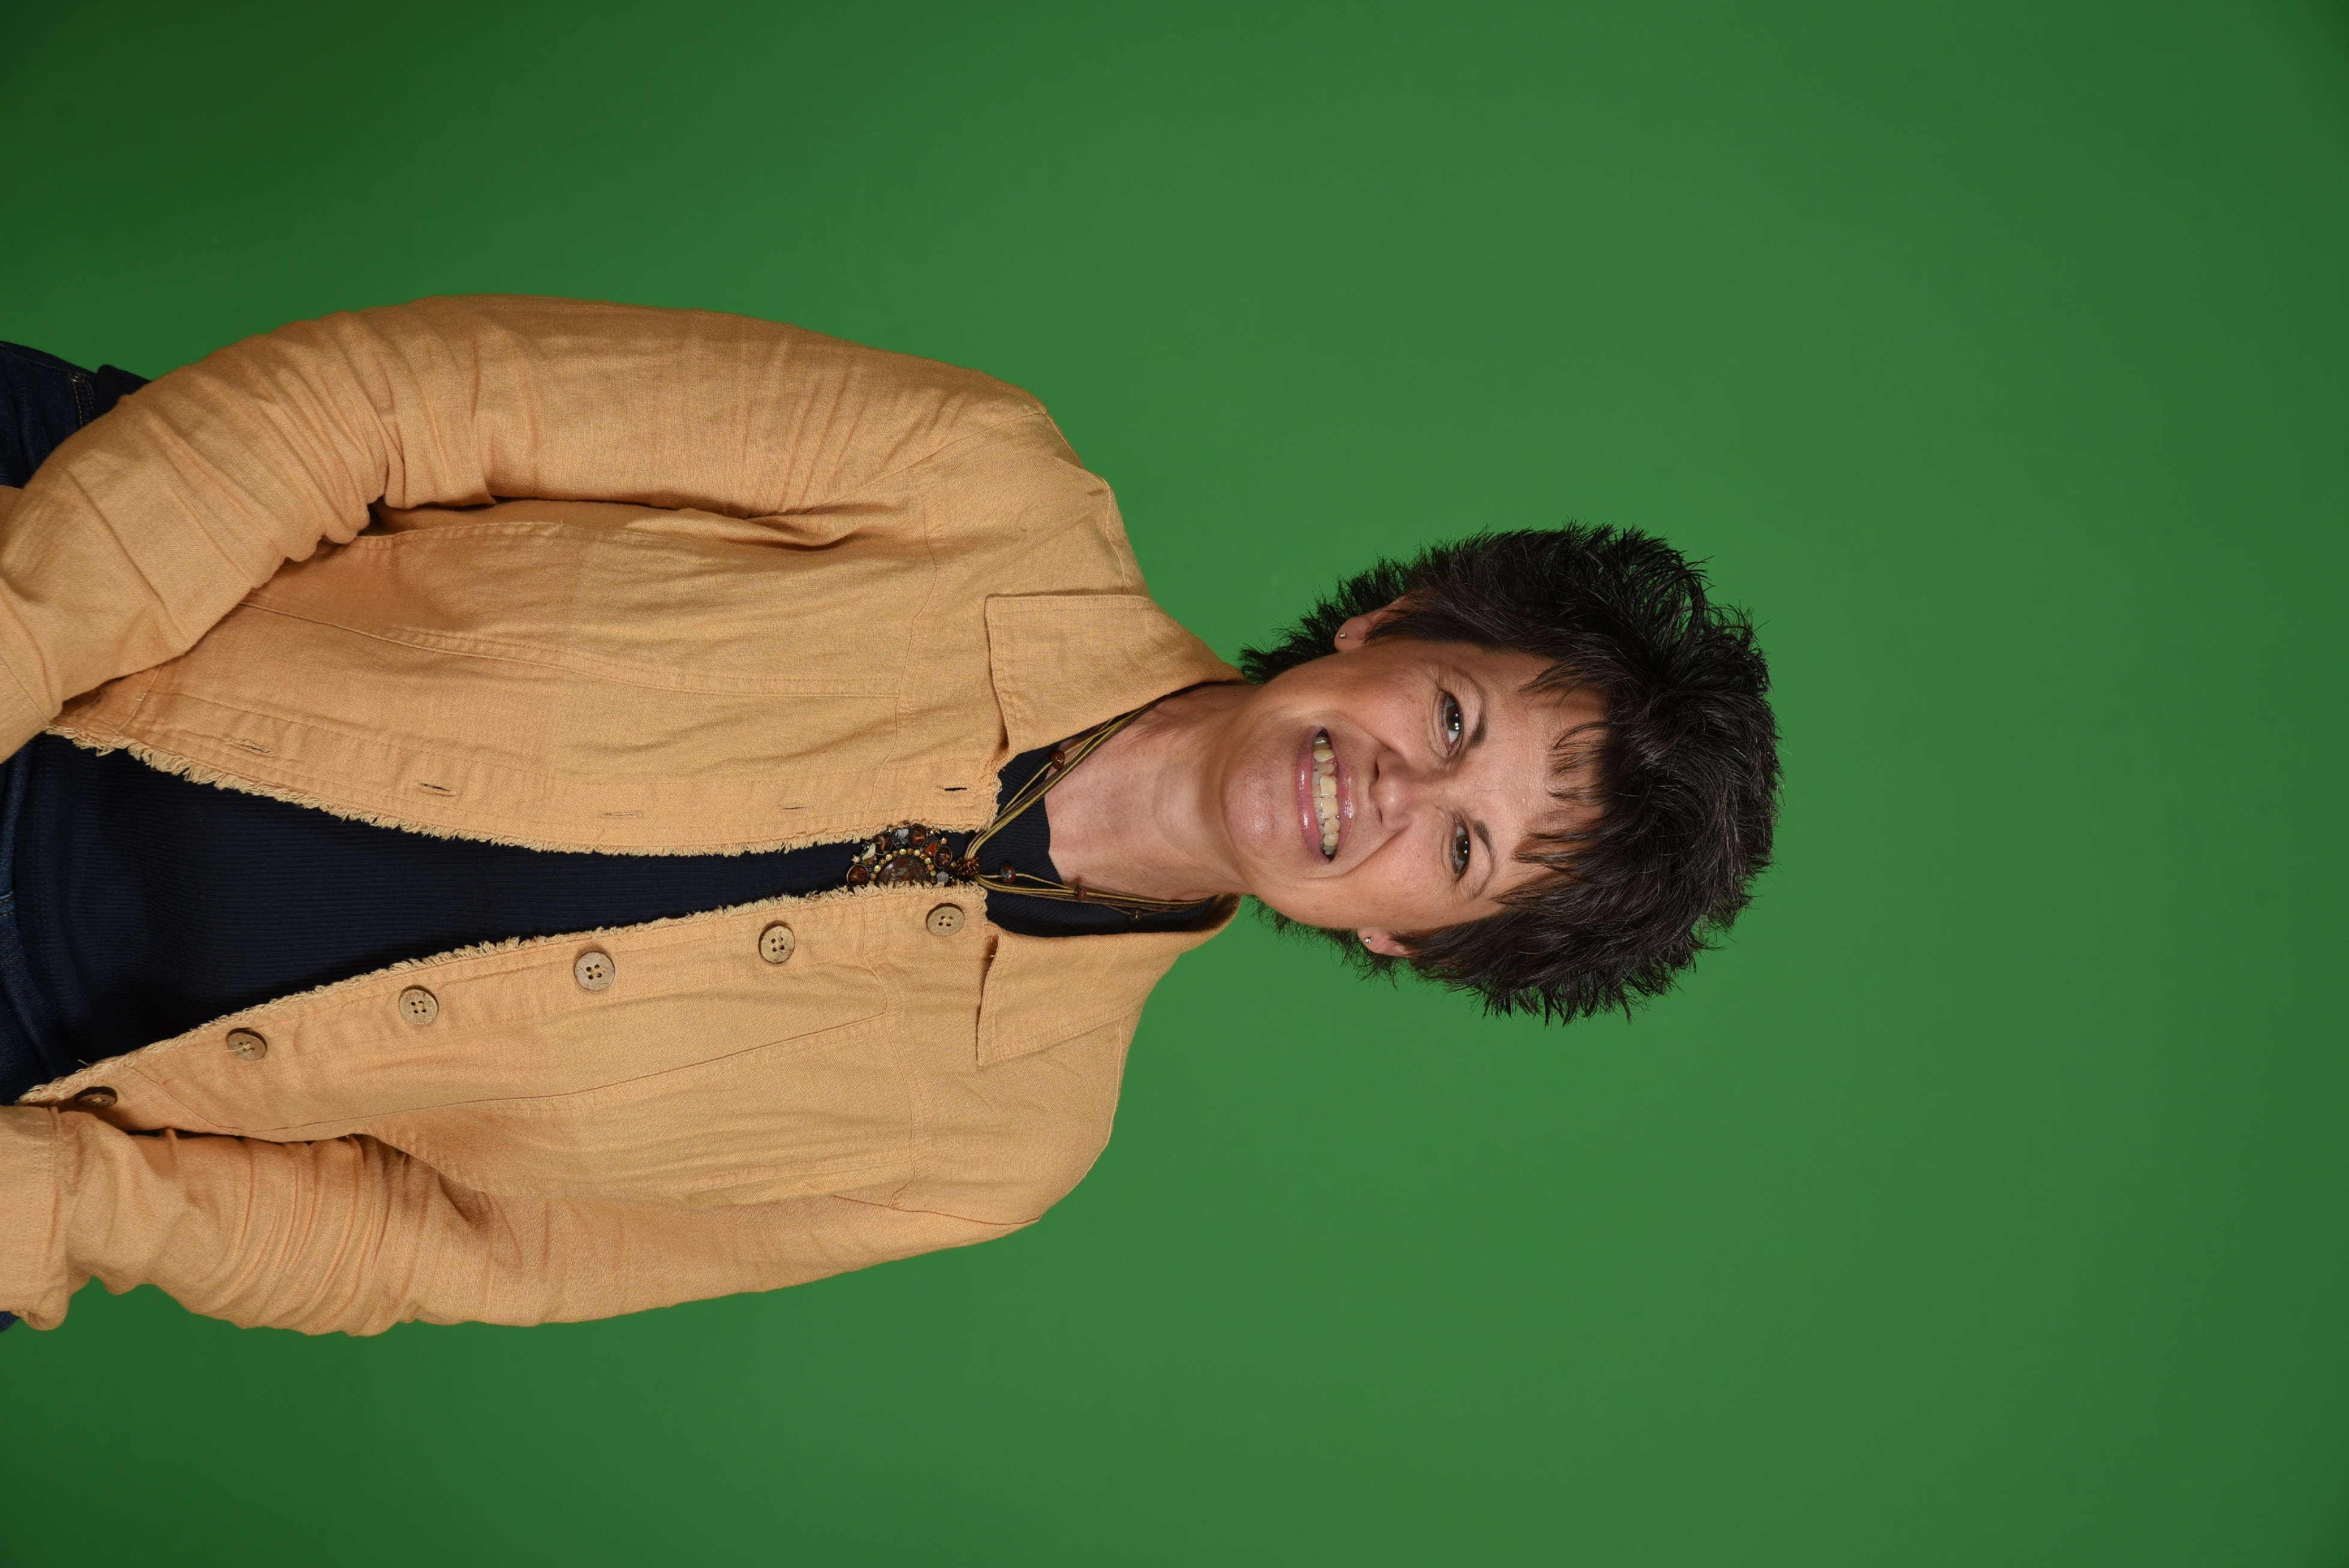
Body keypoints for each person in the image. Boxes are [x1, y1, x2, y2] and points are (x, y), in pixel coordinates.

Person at [0, 298, 1779, 1336]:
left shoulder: (1002, 1150)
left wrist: (68, 1207)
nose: (1401, 791)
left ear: (1402, 935)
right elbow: (388, 401)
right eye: (1455, 721)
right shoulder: (977, 479)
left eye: (1463, 851)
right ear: (1390, 629)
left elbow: (460, 1253)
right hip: (54, 557)